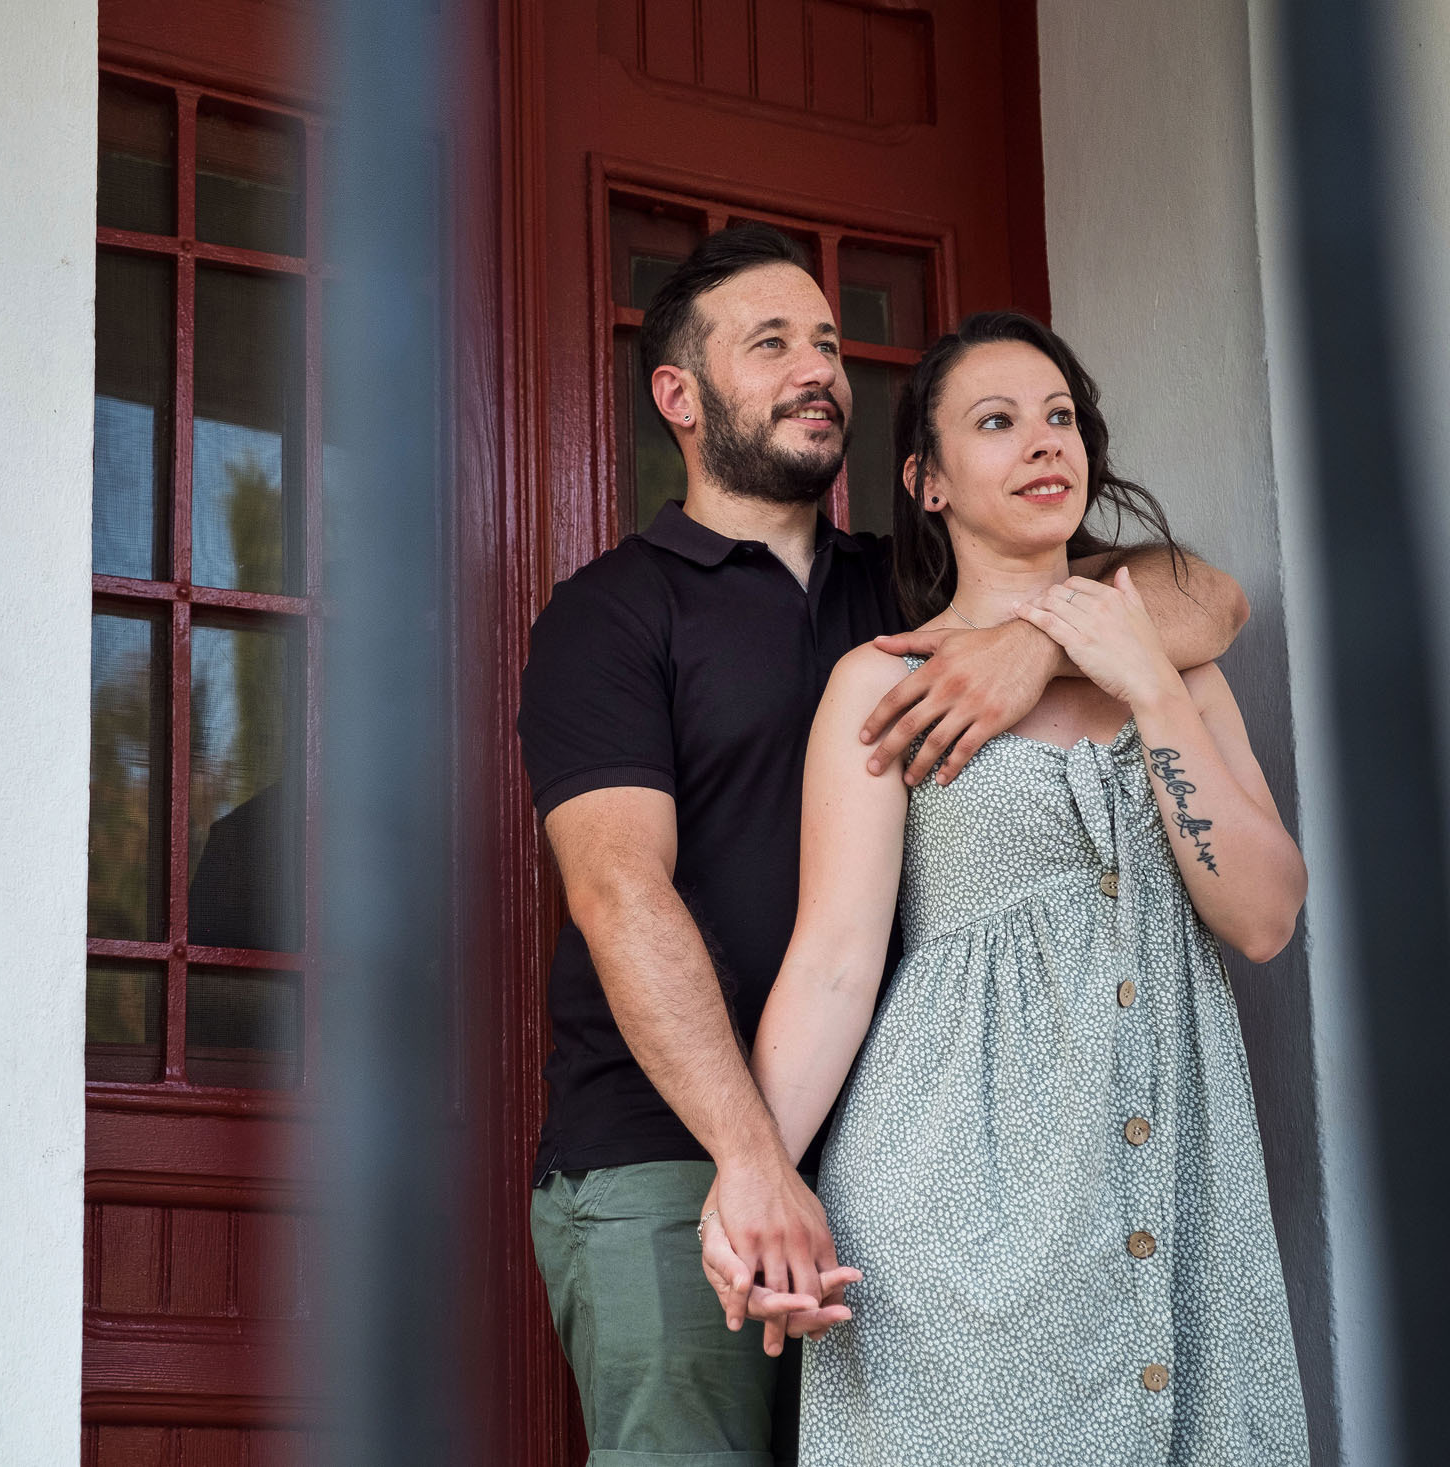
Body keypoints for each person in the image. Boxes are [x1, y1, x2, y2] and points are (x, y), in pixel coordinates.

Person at [517, 225, 1251, 1465]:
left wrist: (1037, 644)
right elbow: (617, 892)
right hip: (672, 1158)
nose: (817, 367)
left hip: (898, 1175)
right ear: (679, 400)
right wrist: (751, 1161)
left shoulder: (907, 594)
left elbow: (1204, 595)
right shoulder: (612, 611)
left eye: (825, 340)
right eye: (770, 345)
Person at [698, 311, 1312, 1464]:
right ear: (924, 481)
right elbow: (834, 964)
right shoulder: (884, 685)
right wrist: (755, 1177)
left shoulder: (1172, 657)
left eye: (1060, 418)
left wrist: (1146, 680)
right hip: (952, 1202)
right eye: (997, 422)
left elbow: (1264, 916)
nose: (1043, 444)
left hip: (1179, 1193)